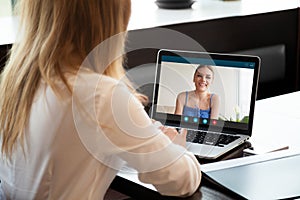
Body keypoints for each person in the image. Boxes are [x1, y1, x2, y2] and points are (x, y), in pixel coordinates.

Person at [0, 0, 201, 199]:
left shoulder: (17, 84)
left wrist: (144, 135)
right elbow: (181, 180)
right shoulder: (101, 96)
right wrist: (175, 149)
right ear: (112, 19)